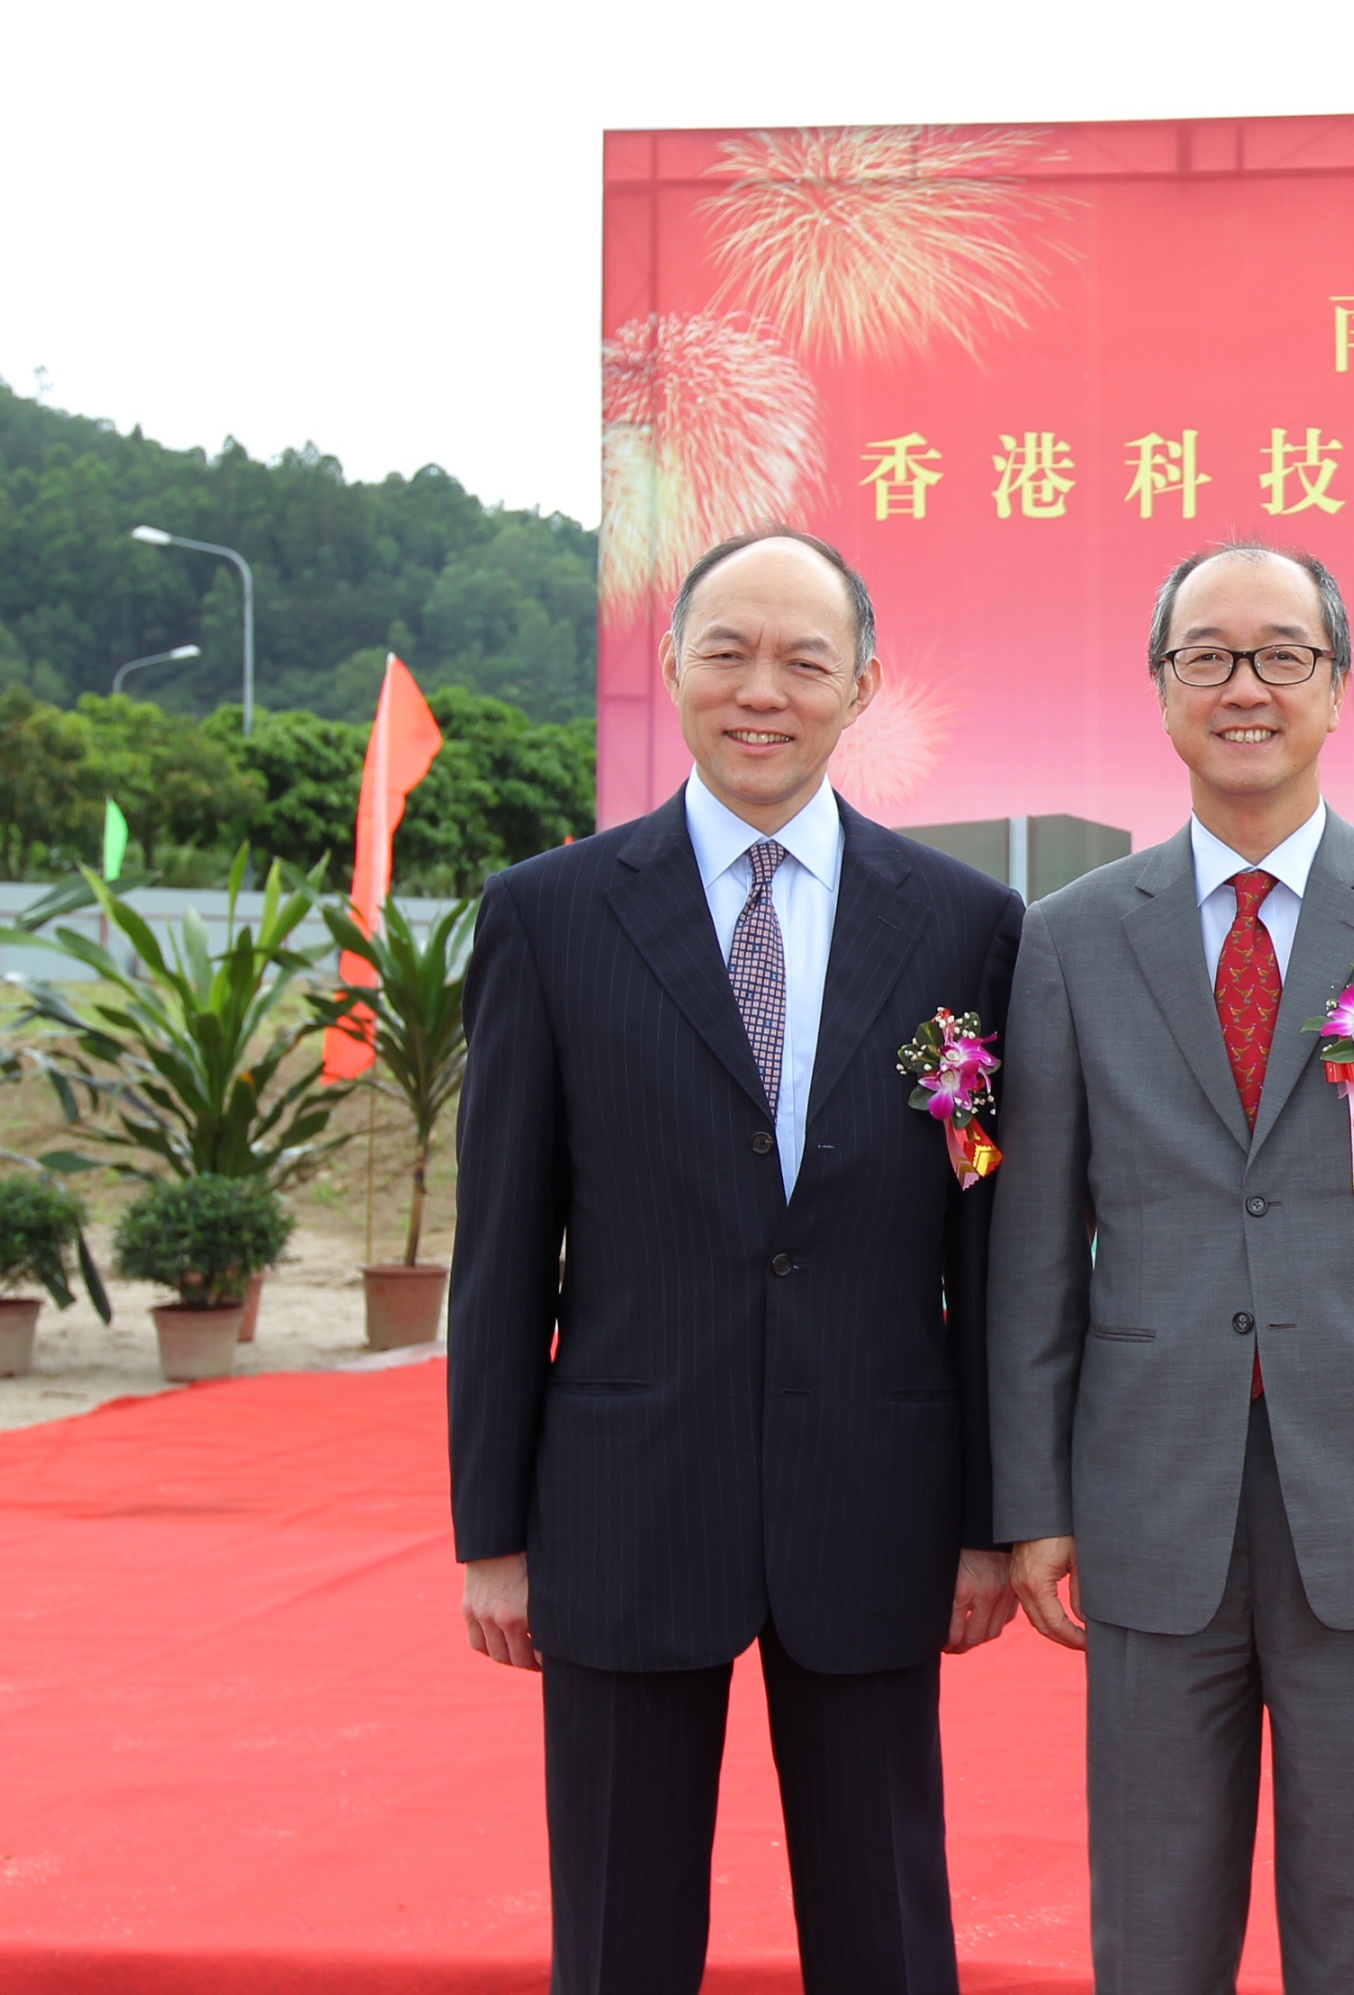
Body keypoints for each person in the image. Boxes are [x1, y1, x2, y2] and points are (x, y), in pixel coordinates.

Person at [989, 543, 1354, 1995]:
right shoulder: (1070, 939)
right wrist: (1033, 1501)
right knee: (1149, 1929)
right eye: (1206, 655)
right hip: (1149, 1495)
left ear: (1337, 685)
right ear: (1161, 688)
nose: (1242, 686)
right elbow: (1034, 1251)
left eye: (1280, 655)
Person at [451, 531, 1026, 1994]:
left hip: (875, 1499)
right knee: (619, 1934)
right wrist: (490, 1533)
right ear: (673, 664)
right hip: (627, 1499)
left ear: (862, 686)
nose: (761, 690)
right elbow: (502, 1244)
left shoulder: (966, 926)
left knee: (887, 1926)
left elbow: (985, 1241)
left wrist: (987, 1517)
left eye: (803, 660)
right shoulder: (549, 914)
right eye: (727, 651)